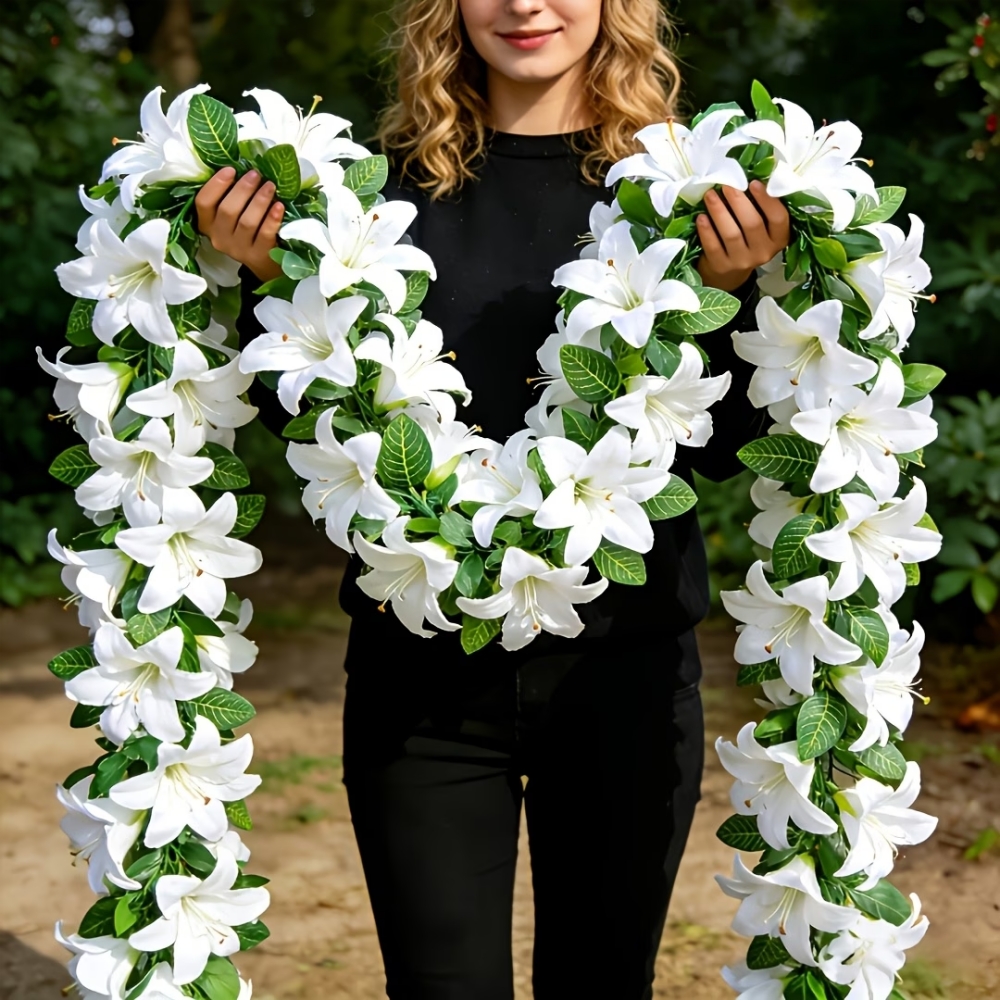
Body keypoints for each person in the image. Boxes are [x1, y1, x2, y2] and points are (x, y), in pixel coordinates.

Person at [194, 2, 790, 996]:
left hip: (624, 674)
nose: (523, 4)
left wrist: (725, 293)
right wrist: (270, 274)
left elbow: (724, 449)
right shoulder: (362, 199)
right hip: (418, 682)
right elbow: (303, 425)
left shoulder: (686, 196)